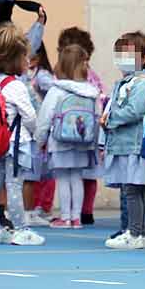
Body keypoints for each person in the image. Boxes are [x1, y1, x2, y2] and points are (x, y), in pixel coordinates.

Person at [0, 26, 45, 246]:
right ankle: (20, 229)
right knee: (14, 186)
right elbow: (29, 116)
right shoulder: (17, 86)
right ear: (17, 59)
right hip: (15, 144)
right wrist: (36, 133)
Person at [35, 44, 101, 228]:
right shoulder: (91, 91)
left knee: (63, 178)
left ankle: (65, 216)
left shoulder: (56, 90)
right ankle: (76, 217)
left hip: (60, 141)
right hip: (83, 141)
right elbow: (97, 117)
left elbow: (45, 117)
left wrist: (40, 140)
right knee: (77, 177)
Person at [102, 31, 145, 249]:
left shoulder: (141, 84)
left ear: (143, 58)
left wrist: (111, 118)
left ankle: (135, 233)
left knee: (134, 189)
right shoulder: (125, 82)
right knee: (132, 189)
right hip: (123, 144)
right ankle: (137, 232)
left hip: (134, 144)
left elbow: (134, 111)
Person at [55, 26, 104, 225]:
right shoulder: (92, 81)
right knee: (84, 176)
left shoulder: (58, 83)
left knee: (64, 177)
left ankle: (66, 215)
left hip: (62, 137)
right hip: (86, 136)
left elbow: (48, 112)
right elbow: (99, 105)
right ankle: (83, 213)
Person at [21, 43, 55, 221]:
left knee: (34, 172)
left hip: (36, 128)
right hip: (27, 129)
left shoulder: (41, 76)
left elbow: (54, 90)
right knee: (28, 173)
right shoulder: (22, 78)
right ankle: (26, 211)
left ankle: (33, 209)